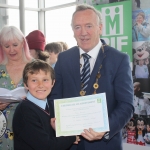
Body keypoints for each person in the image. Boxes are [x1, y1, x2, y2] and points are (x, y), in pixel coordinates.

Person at [48, 4, 134, 150]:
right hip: (70, 144)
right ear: (73, 31)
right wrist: (58, 121)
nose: (83, 33)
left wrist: (106, 129)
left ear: (100, 28)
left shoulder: (119, 59)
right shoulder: (63, 58)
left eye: (88, 26)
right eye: (77, 27)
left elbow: (126, 105)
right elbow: (54, 96)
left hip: (105, 145)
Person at [13, 59, 80, 150]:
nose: (40, 85)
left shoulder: (51, 106)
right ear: (25, 84)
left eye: (45, 80)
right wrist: (71, 137)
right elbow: (47, 146)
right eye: (34, 80)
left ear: (53, 83)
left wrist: (59, 131)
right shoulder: (25, 111)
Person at [0, 25, 32, 150]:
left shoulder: (35, 67)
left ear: (23, 43)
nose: (11, 50)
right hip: (2, 128)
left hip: (28, 125)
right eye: (6, 46)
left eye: (15, 45)